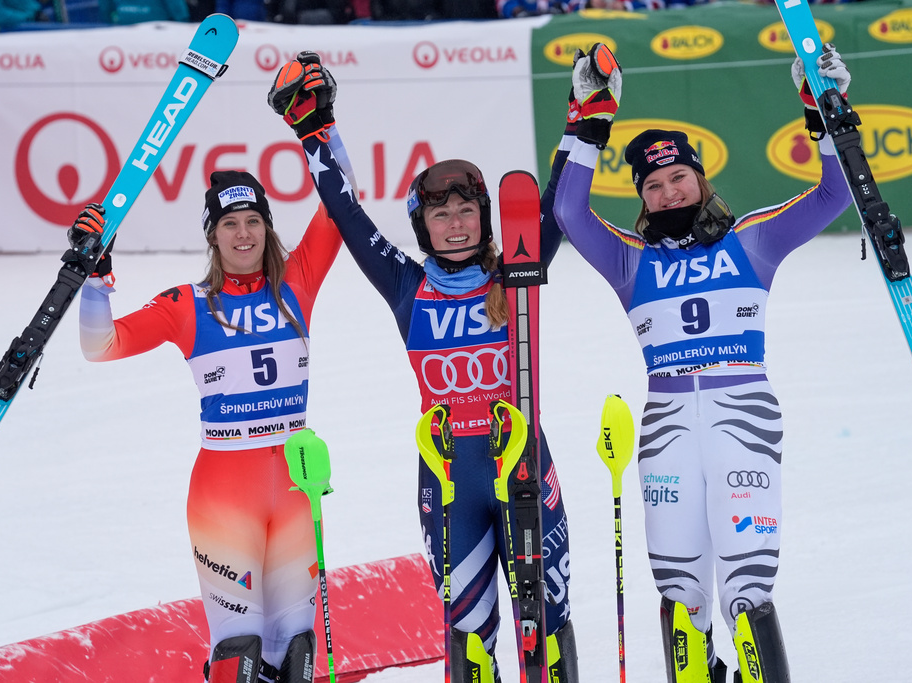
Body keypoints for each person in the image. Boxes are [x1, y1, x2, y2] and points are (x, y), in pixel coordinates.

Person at [265, 52, 579, 683]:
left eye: (466, 212)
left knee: (545, 626)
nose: (456, 225)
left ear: (485, 218)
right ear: (423, 227)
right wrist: (314, 131)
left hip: (521, 464)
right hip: (448, 477)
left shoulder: (515, 269)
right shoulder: (407, 287)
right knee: (468, 635)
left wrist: (585, 123)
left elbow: (559, 205)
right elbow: (348, 216)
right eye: (441, 214)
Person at [553, 44, 853, 682]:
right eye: (653, 185)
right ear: (643, 197)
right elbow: (569, 212)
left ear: (701, 178)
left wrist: (823, 110)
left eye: (678, 178)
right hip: (666, 427)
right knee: (681, 595)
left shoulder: (754, 239)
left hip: (742, 415)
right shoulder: (631, 259)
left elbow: (835, 194)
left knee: (746, 590)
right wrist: (590, 121)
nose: (668, 192)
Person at [71, 134, 347, 680]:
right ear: (212, 235)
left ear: (267, 227)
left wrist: (322, 130)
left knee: (296, 650)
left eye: (253, 221)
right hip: (225, 497)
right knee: (238, 652)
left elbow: (341, 204)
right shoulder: (187, 304)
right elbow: (99, 346)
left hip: (295, 489)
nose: (243, 234)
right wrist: (95, 279)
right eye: (230, 224)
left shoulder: (298, 281)